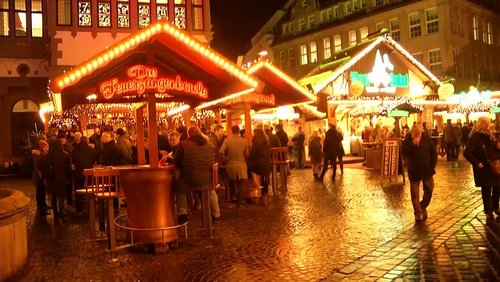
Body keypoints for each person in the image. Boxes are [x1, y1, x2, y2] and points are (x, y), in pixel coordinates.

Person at [174, 126, 220, 224]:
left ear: (188, 134)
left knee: (179, 189)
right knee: (211, 192)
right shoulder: (210, 145)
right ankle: (216, 214)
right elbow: (215, 161)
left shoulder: (183, 145)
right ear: (199, 133)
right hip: (207, 179)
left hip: (189, 179)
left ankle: (183, 214)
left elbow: (176, 162)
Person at [464, 117, 499, 220]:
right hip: (483, 167)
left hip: (493, 165)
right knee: (487, 188)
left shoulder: (491, 135)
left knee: (497, 186)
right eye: (487, 123)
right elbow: (467, 152)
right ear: (482, 124)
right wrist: (476, 163)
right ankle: (488, 211)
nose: (489, 125)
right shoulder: (475, 136)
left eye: (489, 123)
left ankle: (495, 206)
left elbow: (493, 149)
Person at [402, 123, 437, 222]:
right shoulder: (408, 140)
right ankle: (418, 212)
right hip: (414, 170)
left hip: (427, 169)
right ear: (412, 133)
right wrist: (413, 144)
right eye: (416, 134)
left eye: (420, 134)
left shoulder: (426, 138)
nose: (418, 136)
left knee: (429, 189)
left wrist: (432, 164)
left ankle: (422, 206)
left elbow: (433, 151)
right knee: (415, 193)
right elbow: (404, 152)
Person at [219, 125, 248, 206]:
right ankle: (239, 203)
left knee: (231, 183)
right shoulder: (244, 140)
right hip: (241, 164)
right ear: (238, 131)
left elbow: (220, 152)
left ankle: (232, 199)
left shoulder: (227, 140)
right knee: (240, 185)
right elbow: (247, 154)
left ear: (231, 131)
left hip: (231, 164)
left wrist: (226, 158)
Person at [45, 139, 72, 219]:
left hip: (52, 178)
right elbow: (68, 168)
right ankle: (61, 212)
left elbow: (46, 167)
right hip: (62, 178)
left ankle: (55, 212)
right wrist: (69, 178)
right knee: (62, 196)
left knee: (54, 196)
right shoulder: (65, 155)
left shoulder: (49, 155)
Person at [248, 128, 271, 205]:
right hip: (267, 164)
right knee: (264, 178)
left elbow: (253, 154)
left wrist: (248, 159)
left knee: (247, 167)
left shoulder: (257, 142)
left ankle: (253, 183)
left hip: (259, 164)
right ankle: (265, 194)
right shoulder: (266, 142)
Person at [72, 136, 94, 215]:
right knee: (91, 190)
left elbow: (73, 161)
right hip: (89, 173)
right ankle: (91, 207)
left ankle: (79, 210)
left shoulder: (75, 150)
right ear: (87, 141)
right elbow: (94, 159)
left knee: (78, 191)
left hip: (78, 173)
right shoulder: (90, 150)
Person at [33, 138, 50, 215]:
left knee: (42, 192)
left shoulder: (43, 154)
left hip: (41, 176)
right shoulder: (38, 155)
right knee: (40, 192)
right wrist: (41, 174)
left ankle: (44, 205)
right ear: (41, 147)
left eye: (47, 147)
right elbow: (38, 167)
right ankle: (41, 209)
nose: (46, 148)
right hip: (39, 177)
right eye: (45, 147)